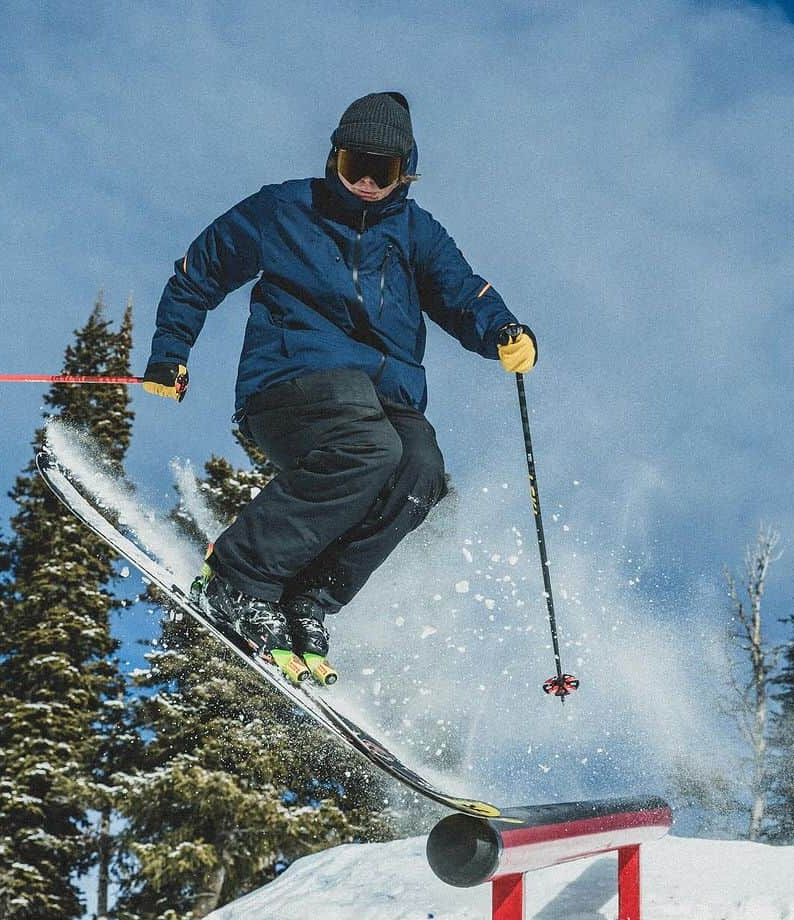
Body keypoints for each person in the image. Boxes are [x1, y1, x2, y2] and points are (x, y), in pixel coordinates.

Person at [142, 91, 536, 685]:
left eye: (386, 172)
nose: (369, 185)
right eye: (358, 168)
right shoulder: (284, 209)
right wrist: (170, 352)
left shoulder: (415, 232)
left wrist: (502, 329)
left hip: (384, 398)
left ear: (407, 173)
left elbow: (462, 292)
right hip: (290, 383)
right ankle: (236, 576)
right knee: (370, 444)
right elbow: (199, 273)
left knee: (420, 470)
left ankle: (308, 597)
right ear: (335, 160)